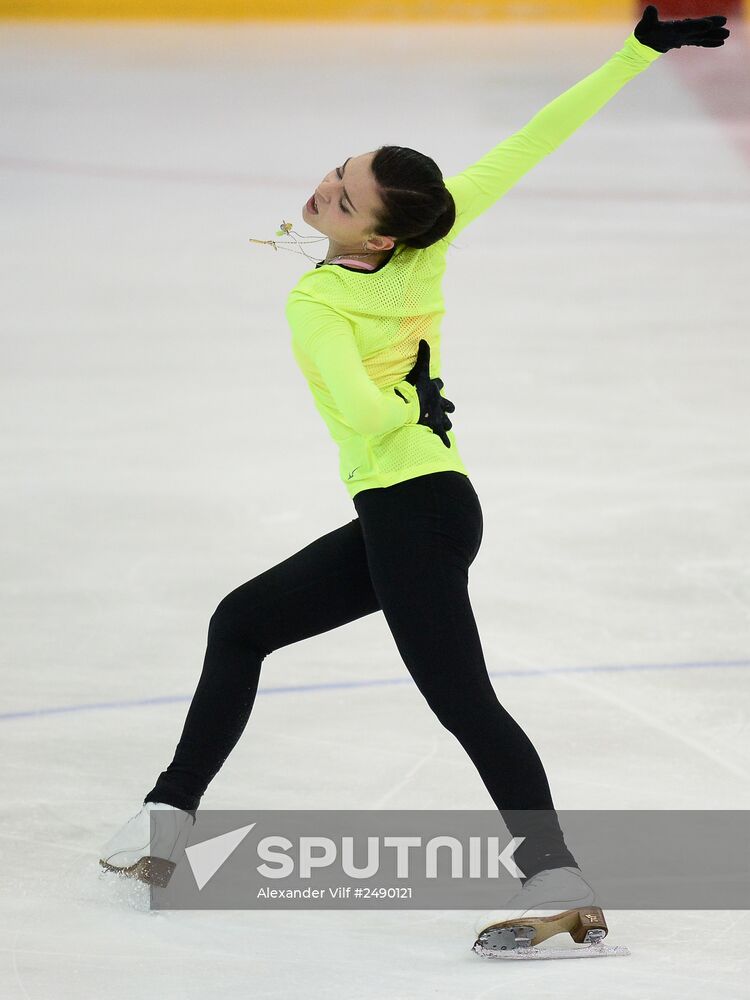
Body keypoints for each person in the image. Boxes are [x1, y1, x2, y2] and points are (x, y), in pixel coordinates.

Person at [100, 6, 729, 952]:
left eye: (343, 200)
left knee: (462, 699)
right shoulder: (422, 239)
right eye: (339, 172)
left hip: (409, 511)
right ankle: (161, 827)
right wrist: (638, 50)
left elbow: (357, 412)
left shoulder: (317, 302)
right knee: (242, 624)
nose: (325, 191)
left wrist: (399, 406)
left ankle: (563, 883)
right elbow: (529, 143)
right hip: (431, 506)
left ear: (380, 240)